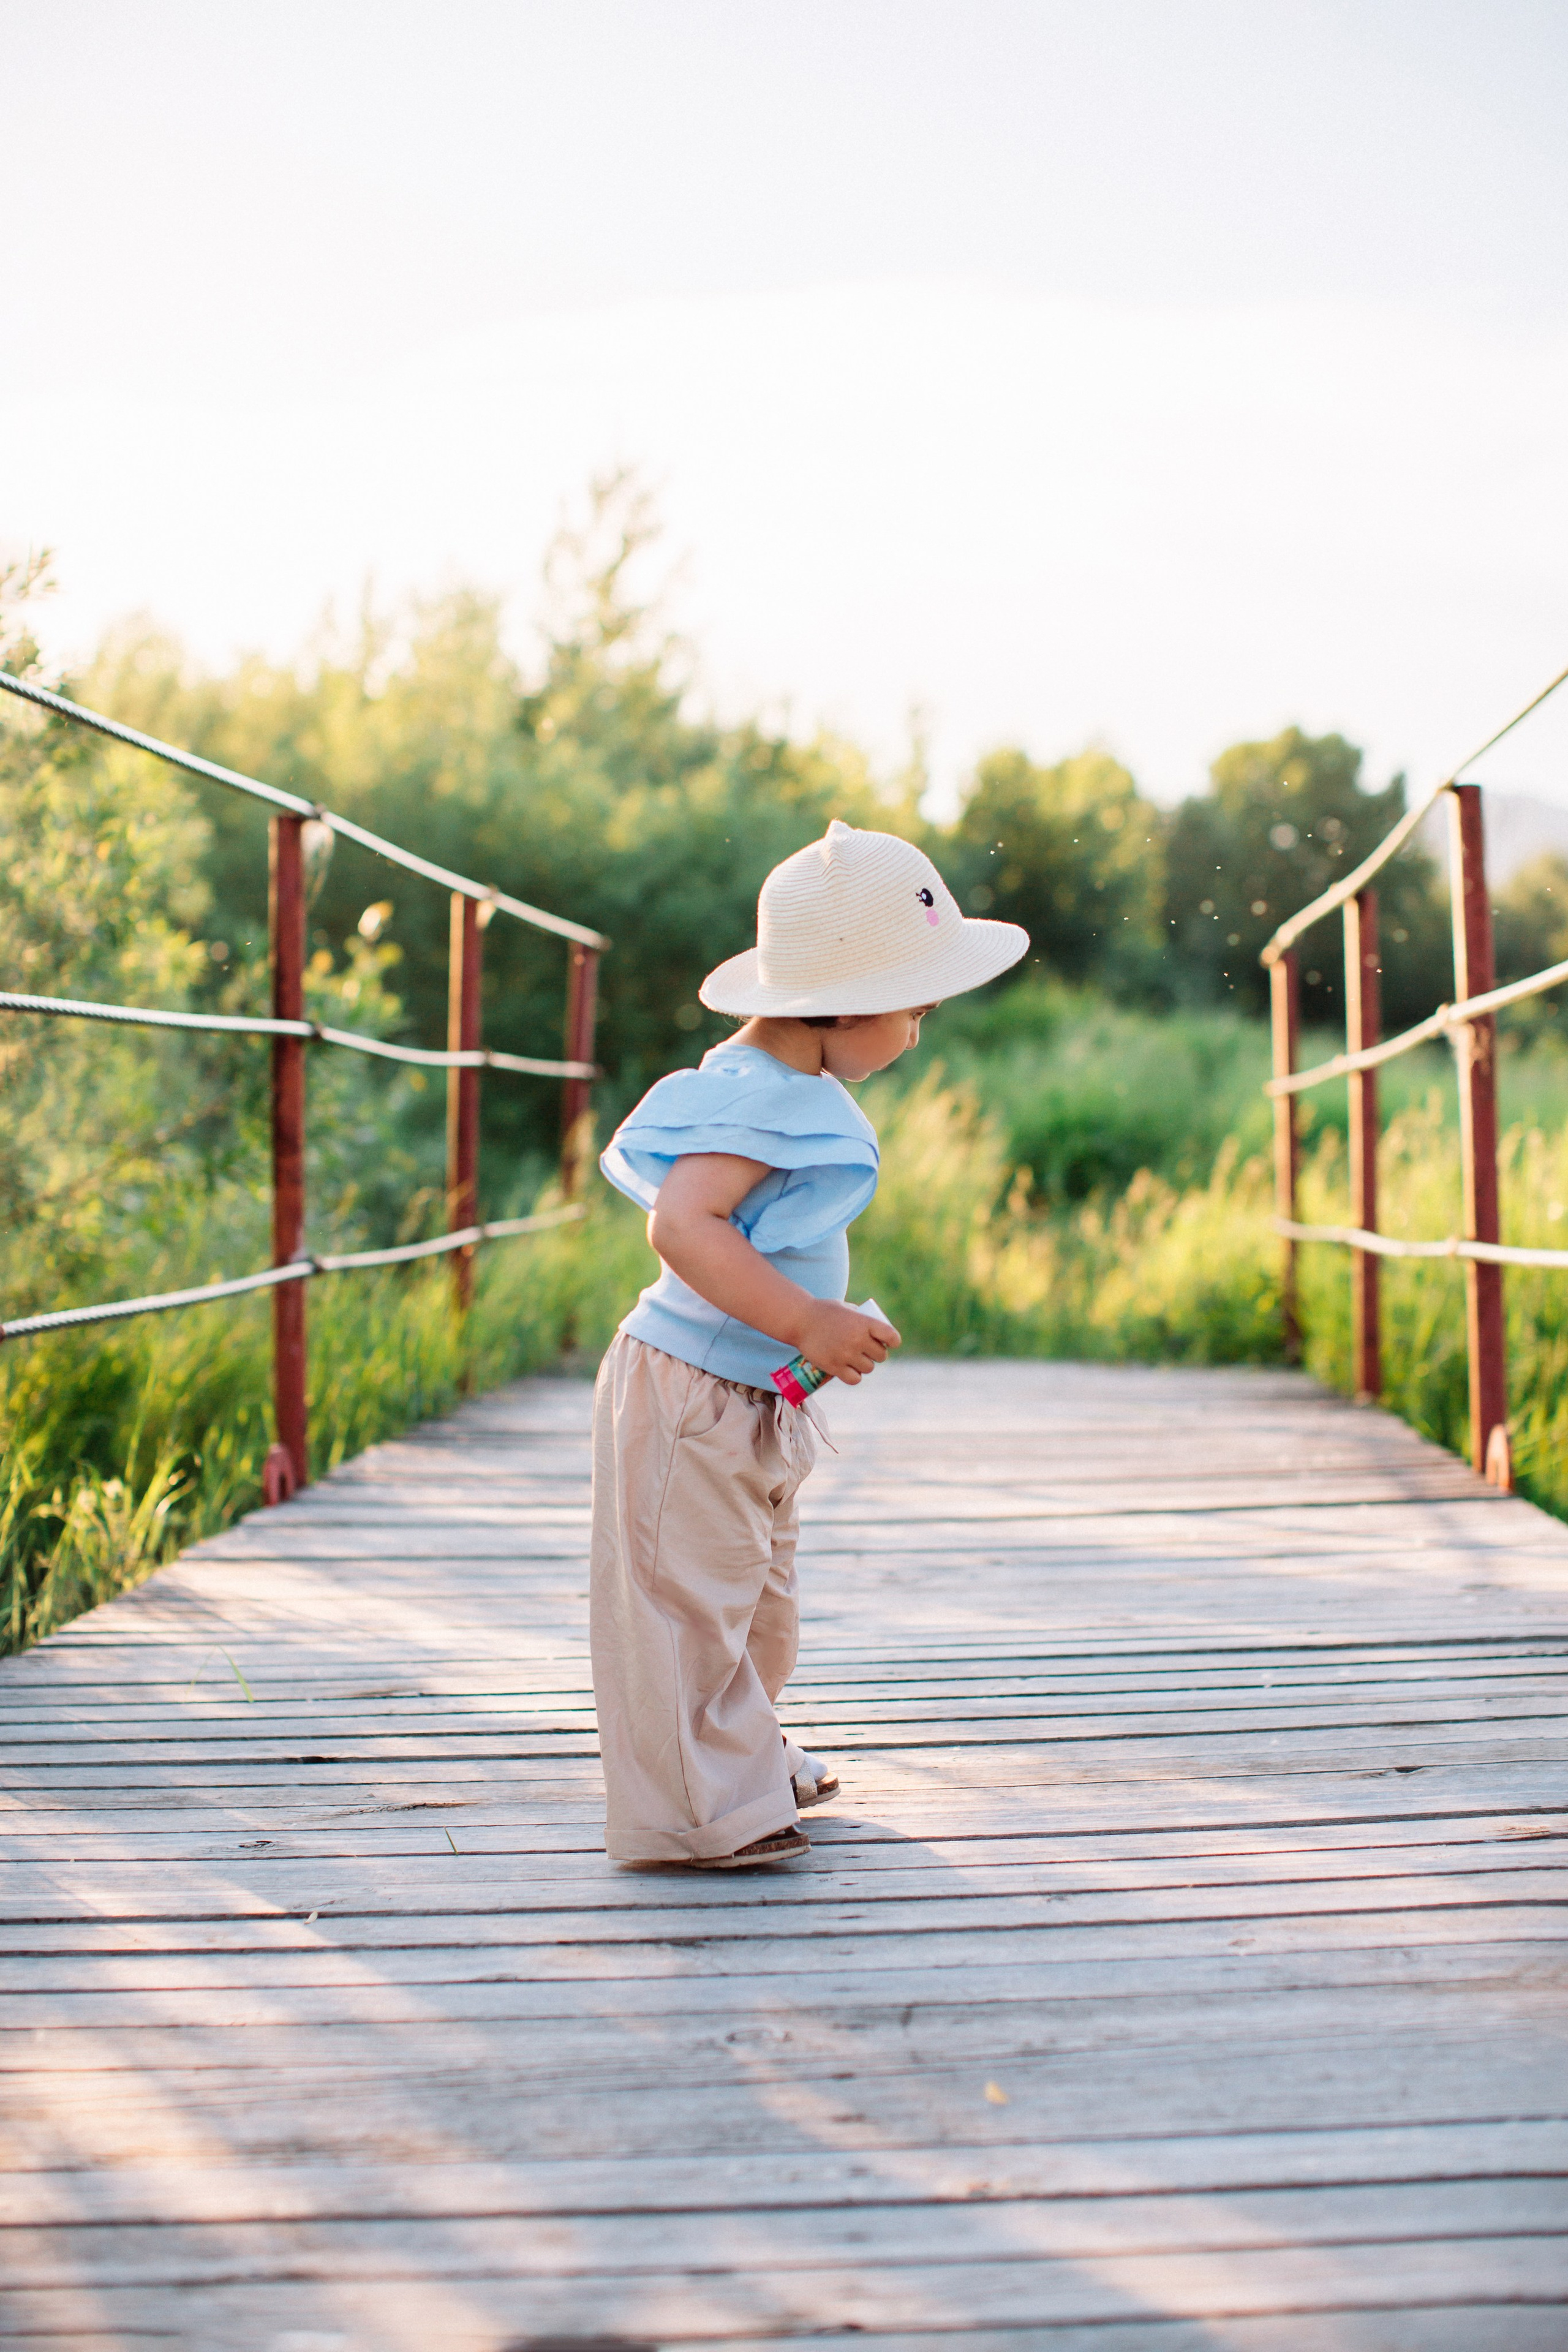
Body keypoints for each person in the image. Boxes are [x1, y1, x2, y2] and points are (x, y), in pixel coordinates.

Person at [590, 819, 1027, 1868]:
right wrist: (806, 1322)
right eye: (915, 1010)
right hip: (690, 1397)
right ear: (839, 1003)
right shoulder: (750, 1095)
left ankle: (739, 1757)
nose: (918, 1035)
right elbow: (682, 1225)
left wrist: (818, 1327)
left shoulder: (789, 1089)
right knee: (688, 1608)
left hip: (752, 1400)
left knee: (757, 1606)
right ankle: (694, 1812)